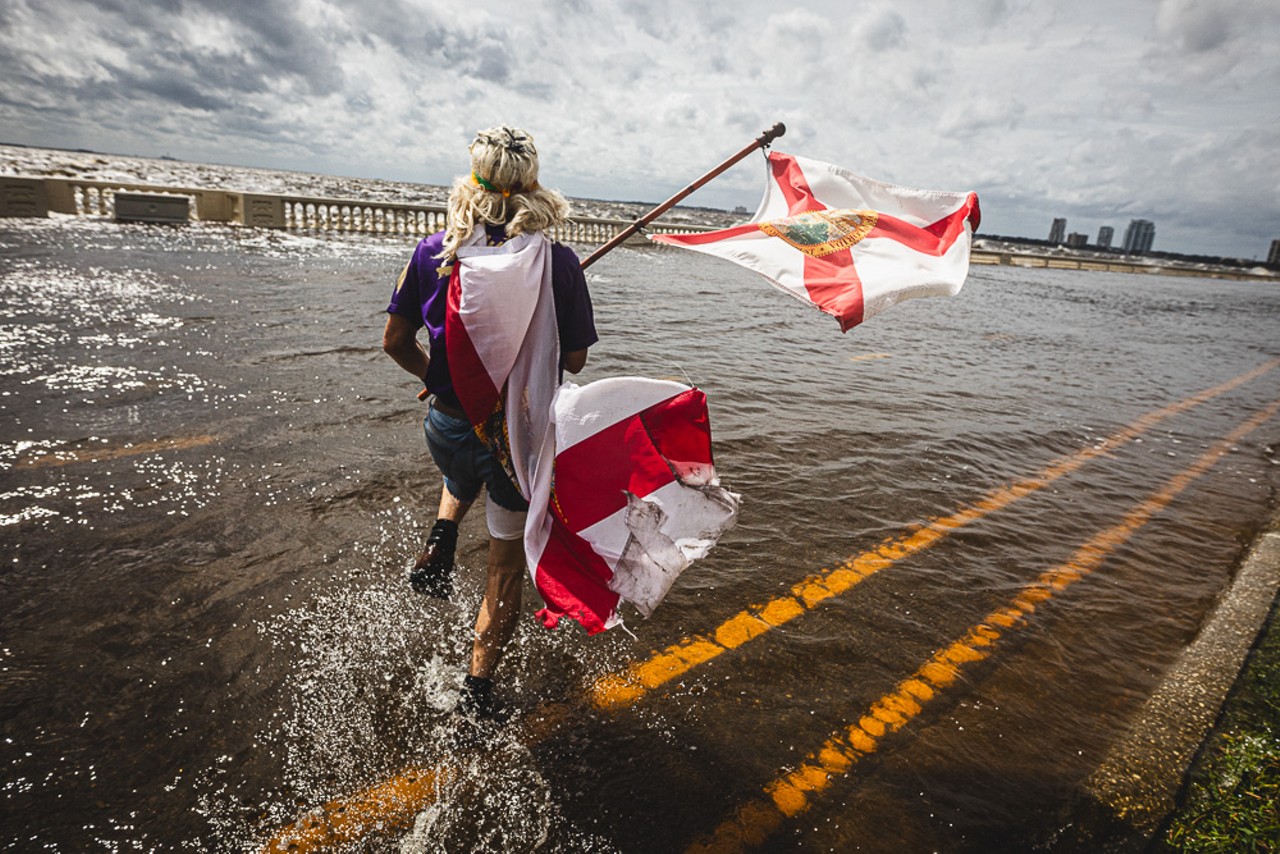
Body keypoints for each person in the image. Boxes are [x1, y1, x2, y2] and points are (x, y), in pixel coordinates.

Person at [382, 126, 597, 721]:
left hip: (446, 429)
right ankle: (477, 693)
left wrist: (437, 376)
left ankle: (441, 536)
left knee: (463, 457)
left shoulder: (435, 253)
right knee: (504, 568)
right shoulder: (558, 264)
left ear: (471, 184)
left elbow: (394, 342)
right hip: (515, 442)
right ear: (534, 190)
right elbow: (574, 359)